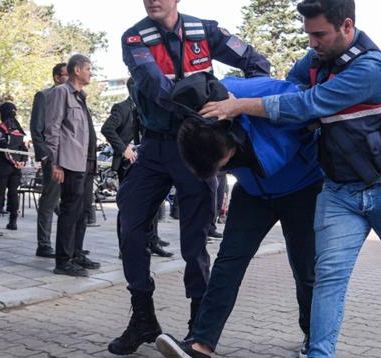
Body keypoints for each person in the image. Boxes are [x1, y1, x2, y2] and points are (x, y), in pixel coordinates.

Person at [197, 1, 381, 357]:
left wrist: (239, 105)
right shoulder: (314, 60)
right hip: (340, 192)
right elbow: (291, 89)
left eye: (319, 34)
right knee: (327, 278)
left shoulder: (372, 67)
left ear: (346, 26)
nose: (312, 43)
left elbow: (308, 103)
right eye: (308, 34)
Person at [108, 0, 270, 355]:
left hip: (195, 148)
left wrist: (238, 101)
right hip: (154, 146)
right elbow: (155, 86)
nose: (153, 0)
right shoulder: (135, 38)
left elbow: (256, 61)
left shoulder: (205, 31)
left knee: (194, 240)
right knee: (131, 224)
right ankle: (143, 318)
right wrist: (205, 103)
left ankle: (199, 328)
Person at [155, 73, 322, 358]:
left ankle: (314, 336)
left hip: (301, 187)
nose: (227, 168)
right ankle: (200, 344)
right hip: (253, 193)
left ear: (230, 136)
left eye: (227, 163)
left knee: (305, 267)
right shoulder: (197, 122)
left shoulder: (255, 92)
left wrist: (246, 106)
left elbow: (309, 106)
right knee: (228, 263)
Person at [101, 78, 173, 258]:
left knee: (153, 203)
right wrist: (123, 148)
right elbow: (107, 128)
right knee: (128, 205)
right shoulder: (123, 107)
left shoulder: (148, 107)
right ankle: (124, 246)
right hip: (128, 163)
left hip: (148, 161)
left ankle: (152, 241)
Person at [45, 54, 101, 277]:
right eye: (88, 68)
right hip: (69, 161)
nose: (90, 73)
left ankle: (76, 253)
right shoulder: (61, 92)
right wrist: (55, 162)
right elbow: (53, 128)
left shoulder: (81, 96)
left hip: (85, 162)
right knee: (69, 211)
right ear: (77, 70)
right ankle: (63, 260)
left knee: (82, 210)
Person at [30, 62, 68, 258]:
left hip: (71, 159)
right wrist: (45, 156)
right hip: (52, 159)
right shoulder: (44, 96)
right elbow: (36, 129)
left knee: (68, 203)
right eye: (65, 75)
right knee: (49, 200)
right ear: (56, 77)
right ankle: (43, 244)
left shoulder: (74, 97)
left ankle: (69, 243)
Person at [0, 101, 28, 230]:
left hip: (3, 168)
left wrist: (13, 162)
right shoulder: (18, 129)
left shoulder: (3, 128)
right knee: (13, 193)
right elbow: (24, 148)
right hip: (16, 169)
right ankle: (13, 221)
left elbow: (3, 148)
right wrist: (21, 162)